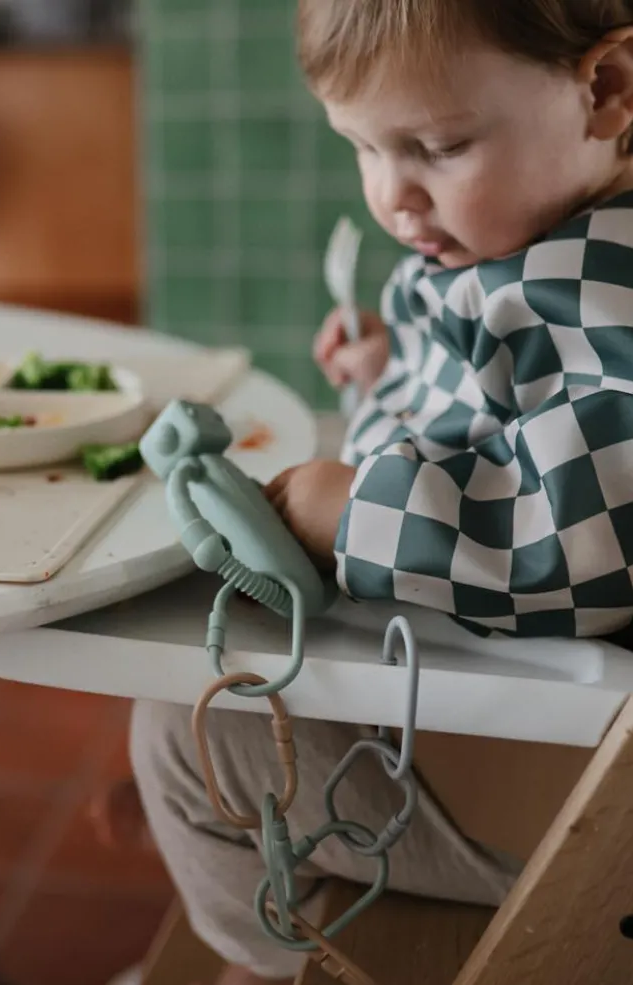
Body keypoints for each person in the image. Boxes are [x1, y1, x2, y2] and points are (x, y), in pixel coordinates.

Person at [126, 3, 633, 983]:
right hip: (516, 729)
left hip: (585, 811)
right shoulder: (540, 249)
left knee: (185, 736)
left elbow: (582, 533)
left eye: (437, 148)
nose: (392, 198)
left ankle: (288, 938)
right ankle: (270, 847)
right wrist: (391, 368)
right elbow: (505, 412)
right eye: (360, 146)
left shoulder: (603, 291)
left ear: (606, 90)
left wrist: (354, 511)